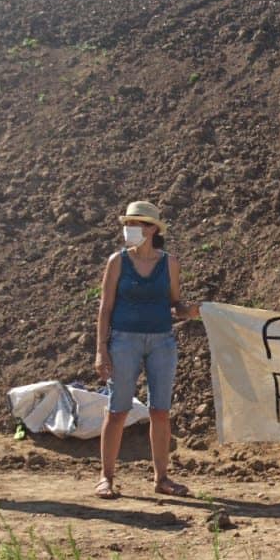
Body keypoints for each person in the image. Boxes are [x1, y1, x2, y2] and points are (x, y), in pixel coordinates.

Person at [94, 201, 201, 499]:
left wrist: (190, 311)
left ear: (152, 229)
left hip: (161, 341)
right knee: (118, 409)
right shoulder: (117, 261)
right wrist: (101, 349)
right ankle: (106, 477)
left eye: (136, 224)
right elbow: (105, 307)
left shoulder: (170, 263)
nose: (129, 229)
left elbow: (175, 304)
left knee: (161, 411)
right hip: (123, 340)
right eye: (128, 224)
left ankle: (161, 478)